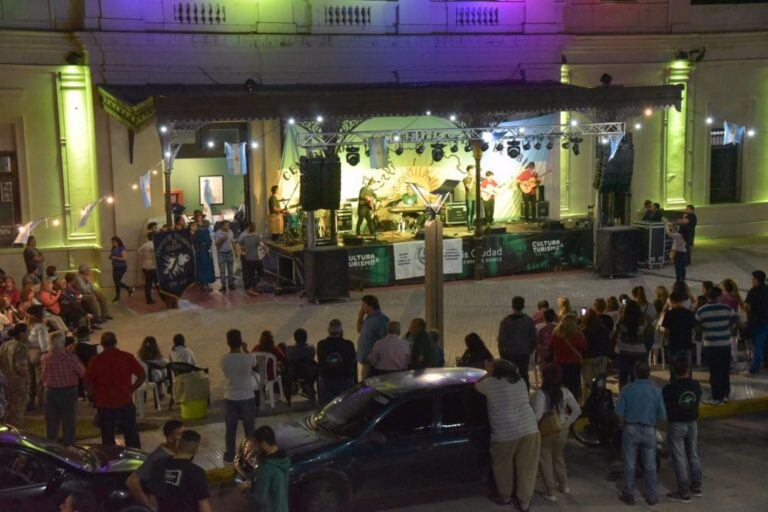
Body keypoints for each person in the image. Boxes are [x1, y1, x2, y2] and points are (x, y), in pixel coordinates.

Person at [475, 359, 540, 510]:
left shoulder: (489, 383)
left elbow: (475, 385)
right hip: (529, 429)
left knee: (503, 467)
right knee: (527, 468)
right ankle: (524, 503)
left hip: (504, 433)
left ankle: (505, 497)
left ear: (495, 371)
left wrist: (488, 373)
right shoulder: (521, 382)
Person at [615, 361, 667, 506]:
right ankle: (652, 495)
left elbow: (619, 412)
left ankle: (629, 493)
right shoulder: (656, 391)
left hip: (631, 428)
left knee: (629, 463)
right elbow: (662, 416)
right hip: (649, 429)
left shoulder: (627, 389)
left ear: (634, 373)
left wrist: (623, 425)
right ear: (649, 374)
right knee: (650, 464)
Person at [84, 332, 145, 448]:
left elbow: (87, 382)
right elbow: (142, 375)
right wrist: (132, 389)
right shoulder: (126, 357)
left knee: (107, 437)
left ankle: (111, 461)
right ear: (115, 342)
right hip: (124, 400)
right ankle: (137, 459)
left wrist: (94, 396)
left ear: (102, 344)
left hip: (104, 403)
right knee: (131, 434)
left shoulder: (96, 360)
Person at [532, 364, 581, 502]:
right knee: (558, 457)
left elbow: (538, 415)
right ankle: (564, 485)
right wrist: (567, 422)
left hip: (547, 430)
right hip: (562, 429)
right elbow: (577, 410)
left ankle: (550, 491)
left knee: (545, 459)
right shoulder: (565, 391)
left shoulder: (541, 394)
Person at [663, 357, 703, 503]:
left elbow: (665, 404)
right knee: (693, 454)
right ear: (688, 369)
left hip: (677, 424)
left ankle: (684, 492)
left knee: (679, 458)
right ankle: (696, 486)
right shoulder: (695, 385)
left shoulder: (670, 388)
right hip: (692, 422)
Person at [126, 420, 184, 510]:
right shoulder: (158, 457)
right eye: (180, 434)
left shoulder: (176, 453)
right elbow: (132, 481)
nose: (184, 438)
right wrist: (149, 506)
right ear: (170, 438)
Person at [149, 429, 212, 512]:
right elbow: (204, 507)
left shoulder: (158, 464)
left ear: (178, 444)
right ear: (195, 449)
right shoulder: (196, 472)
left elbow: (152, 499)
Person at [220, 329, 257, 464]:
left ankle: (230, 455)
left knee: (230, 430)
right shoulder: (247, 358)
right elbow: (254, 363)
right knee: (250, 430)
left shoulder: (224, 359)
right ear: (240, 341)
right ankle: (250, 453)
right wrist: (246, 349)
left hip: (230, 397)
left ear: (228, 342)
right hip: (247, 396)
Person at [696, 287, 738, 405]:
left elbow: (697, 327)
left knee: (714, 371)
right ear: (719, 296)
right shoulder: (726, 308)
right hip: (725, 344)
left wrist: (706, 329)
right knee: (724, 370)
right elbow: (736, 320)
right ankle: (725, 394)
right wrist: (728, 327)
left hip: (710, 345)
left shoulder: (701, 311)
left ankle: (716, 397)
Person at [41, 332, 85, 445]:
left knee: (51, 423)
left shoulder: (45, 358)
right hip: (68, 391)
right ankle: (68, 447)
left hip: (50, 391)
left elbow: (43, 375)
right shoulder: (70, 358)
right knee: (69, 422)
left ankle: (50, 448)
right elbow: (82, 372)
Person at [242, 425, 291, 512]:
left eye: (256, 445)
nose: (255, 449)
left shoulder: (265, 469)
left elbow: (259, 499)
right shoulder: (284, 460)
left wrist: (246, 489)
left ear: (263, 444)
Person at [497, 296, 537, 389]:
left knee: (510, 376)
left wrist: (502, 354)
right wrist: (529, 350)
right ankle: (525, 394)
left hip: (509, 353)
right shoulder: (528, 321)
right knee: (524, 375)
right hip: (524, 352)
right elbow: (534, 339)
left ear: (512, 306)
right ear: (523, 306)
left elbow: (501, 340)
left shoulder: (505, 321)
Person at [317, 319, 357, 404]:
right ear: (341, 331)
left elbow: (321, 362)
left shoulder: (321, 345)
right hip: (345, 380)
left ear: (328, 330)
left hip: (327, 379)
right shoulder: (348, 344)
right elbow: (353, 361)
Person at [550, 314, 587, 401]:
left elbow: (551, 346)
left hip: (559, 362)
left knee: (561, 385)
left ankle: (561, 404)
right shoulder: (576, 334)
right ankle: (573, 405)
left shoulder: (556, 333)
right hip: (573, 363)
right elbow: (584, 346)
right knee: (574, 386)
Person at [0, 324, 30, 427]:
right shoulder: (20, 347)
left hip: (5, 380)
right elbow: (21, 367)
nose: (28, 335)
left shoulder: (5, 345)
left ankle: (6, 430)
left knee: (8, 408)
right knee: (18, 410)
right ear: (22, 334)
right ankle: (15, 433)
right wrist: (27, 380)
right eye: (27, 333)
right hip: (17, 383)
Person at [663, 291, 697, 379]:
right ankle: (688, 387)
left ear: (672, 301)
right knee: (687, 369)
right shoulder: (689, 313)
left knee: (674, 370)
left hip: (674, 345)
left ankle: (675, 388)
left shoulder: (669, 314)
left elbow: (666, 331)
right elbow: (694, 329)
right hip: (687, 344)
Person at [614, 300, 647, 388]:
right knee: (637, 379)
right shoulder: (642, 323)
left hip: (625, 352)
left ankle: (624, 397)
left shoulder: (622, 323)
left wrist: (620, 315)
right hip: (640, 353)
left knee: (623, 379)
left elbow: (615, 332)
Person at [581, 308, 611, 400]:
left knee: (587, 384)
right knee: (600, 382)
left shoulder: (584, 331)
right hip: (601, 358)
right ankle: (601, 401)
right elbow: (607, 343)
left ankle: (587, 402)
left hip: (587, 359)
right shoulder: (603, 330)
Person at [356, 295, 389, 378]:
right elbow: (359, 330)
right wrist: (360, 317)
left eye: (364, 305)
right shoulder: (368, 318)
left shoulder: (381, 320)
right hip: (365, 358)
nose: (361, 307)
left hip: (372, 359)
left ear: (370, 306)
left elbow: (384, 339)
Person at [745, 270, 768, 376]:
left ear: (756, 279)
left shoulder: (754, 291)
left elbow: (747, 306)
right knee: (765, 344)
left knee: (757, 346)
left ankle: (753, 369)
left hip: (757, 322)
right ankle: (766, 364)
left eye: (753, 278)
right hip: (766, 321)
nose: (752, 281)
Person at [238, 222, 265, 295]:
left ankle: (251, 288)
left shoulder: (244, 237)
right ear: (254, 228)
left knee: (251, 274)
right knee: (260, 273)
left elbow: (239, 245)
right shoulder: (256, 237)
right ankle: (252, 286)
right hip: (255, 258)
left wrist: (244, 251)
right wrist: (266, 252)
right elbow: (262, 245)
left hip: (247, 259)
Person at [192, 220, 215, 292]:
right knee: (208, 267)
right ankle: (208, 284)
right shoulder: (206, 231)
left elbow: (195, 242)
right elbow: (209, 241)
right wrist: (208, 247)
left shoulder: (196, 232)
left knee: (201, 267)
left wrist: (197, 249)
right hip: (206, 252)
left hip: (199, 252)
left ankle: (204, 284)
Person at [108, 236, 133, 301]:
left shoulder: (122, 248)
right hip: (115, 267)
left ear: (118, 242)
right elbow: (112, 256)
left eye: (114, 242)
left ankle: (129, 288)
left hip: (121, 267)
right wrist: (111, 257)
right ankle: (118, 296)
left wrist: (115, 258)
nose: (113, 244)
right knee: (116, 282)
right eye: (112, 242)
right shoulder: (113, 248)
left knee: (117, 282)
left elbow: (124, 258)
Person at [214, 221, 236, 292]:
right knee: (222, 271)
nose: (228, 227)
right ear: (222, 226)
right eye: (226, 225)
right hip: (221, 254)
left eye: (228, 225)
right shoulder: (217, 233)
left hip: (230, 253)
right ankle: (223, 286)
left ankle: (231, 284)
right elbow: (217, 244)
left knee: (231, 270)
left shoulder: (230, 232)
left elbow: (233, 242)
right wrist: (223, 238)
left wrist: (235, 251)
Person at [137, 233, 158, 304]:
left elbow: (138, 251)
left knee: (148, 284)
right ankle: (163, 297)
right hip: (153, 266)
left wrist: (144, 257)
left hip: (145, 266)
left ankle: (148, 299)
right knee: (157, 283)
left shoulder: (144, 245)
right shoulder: (154, 245)